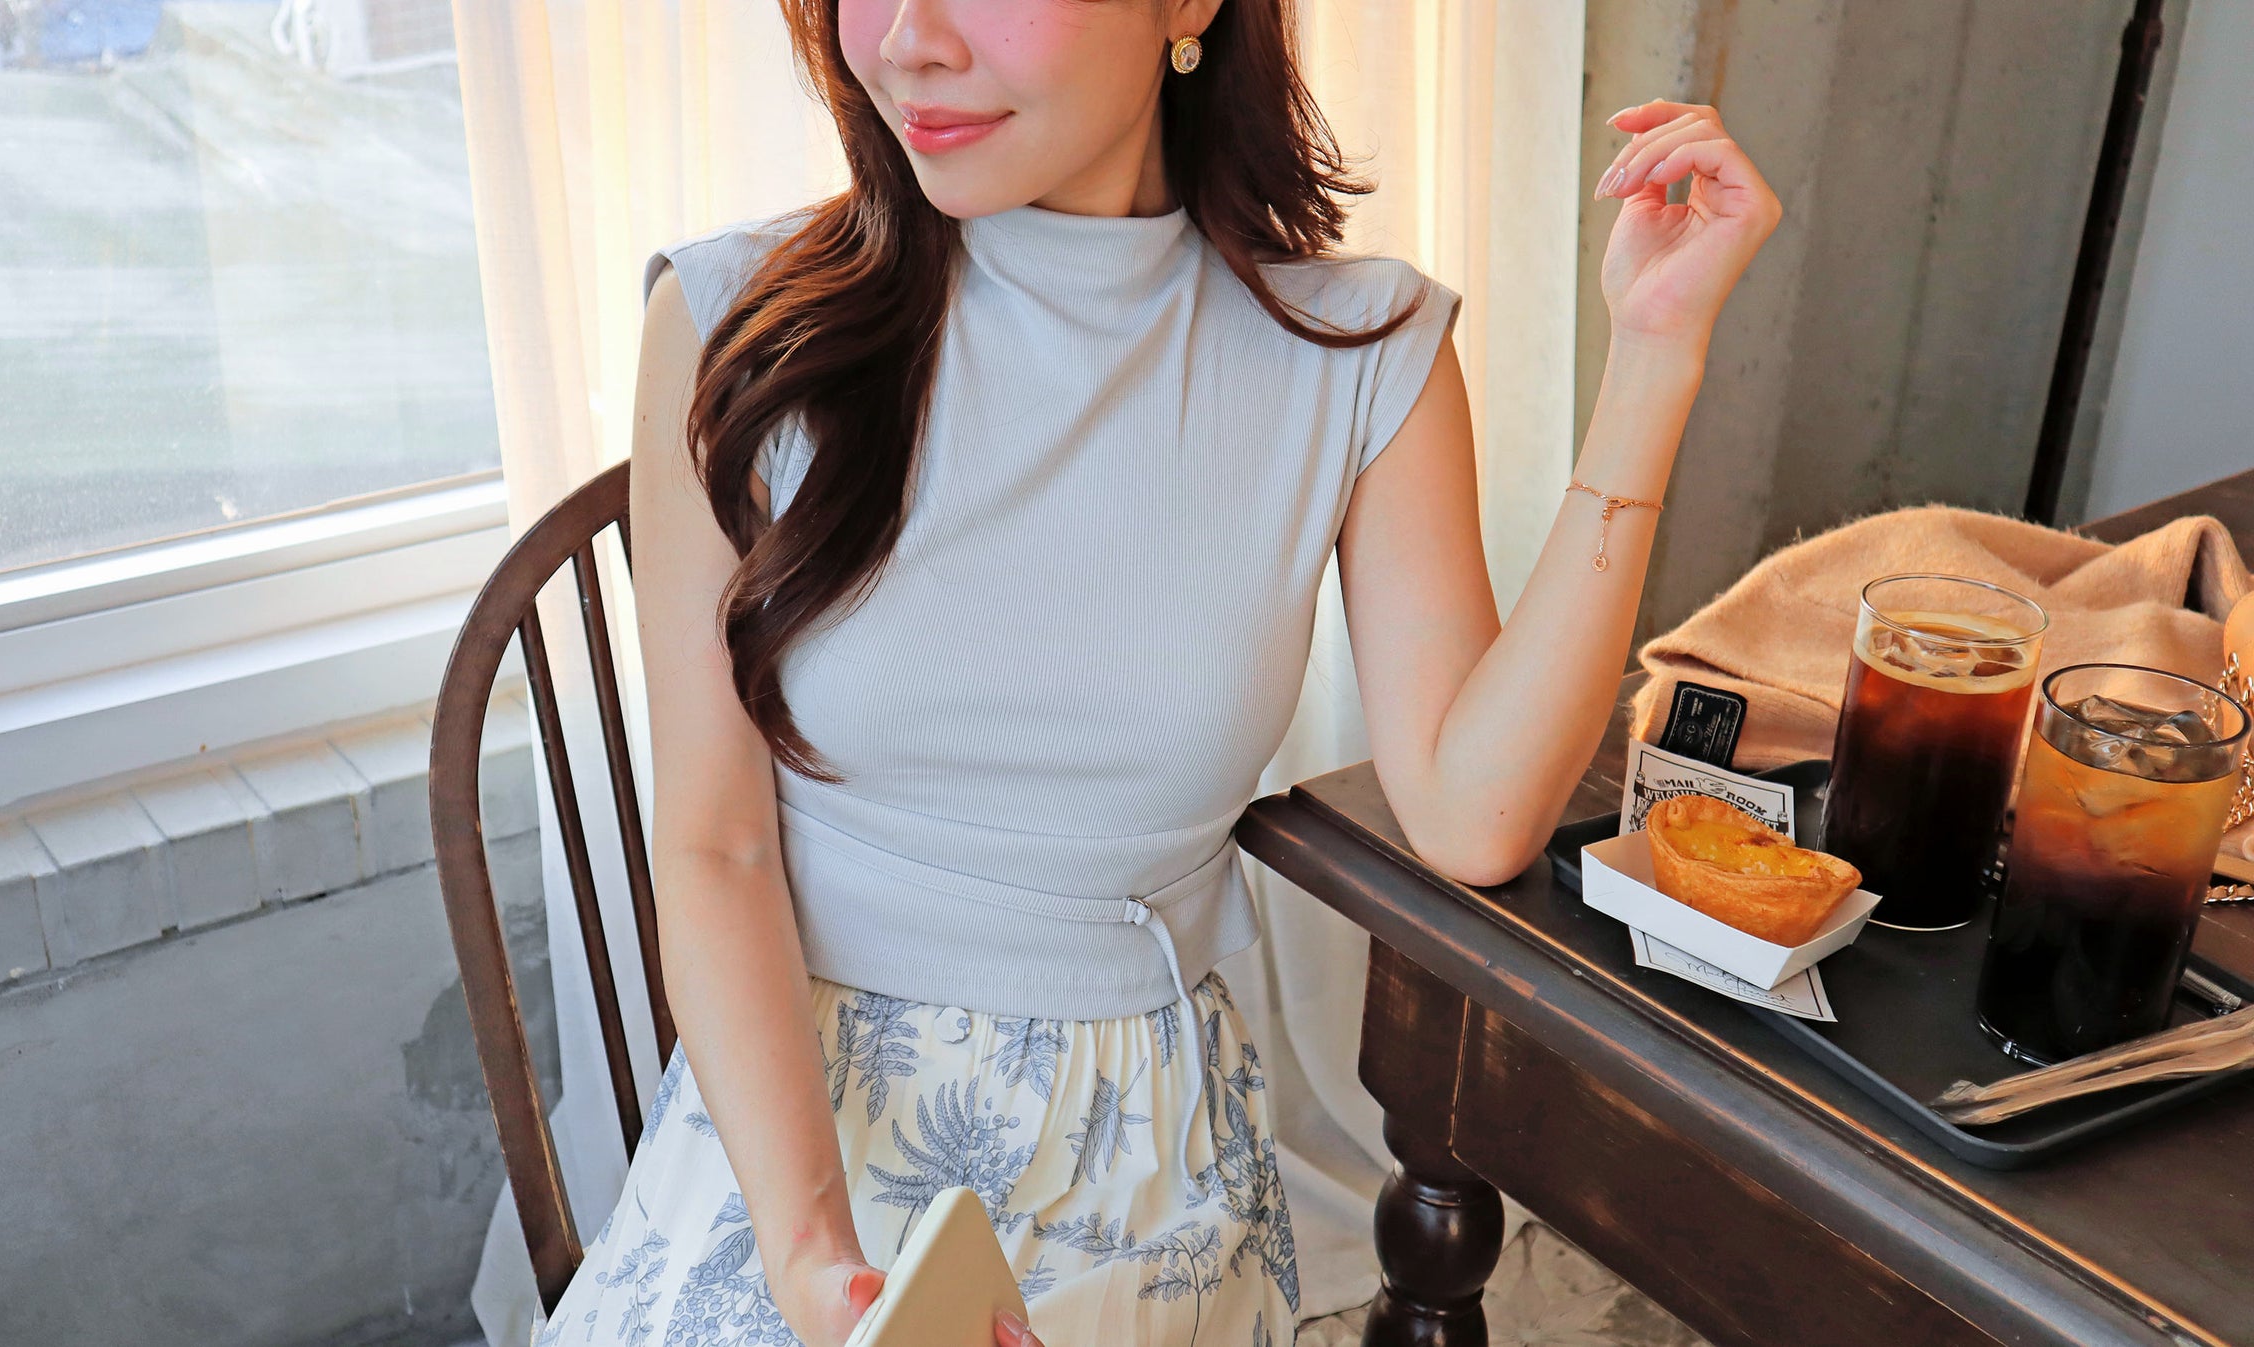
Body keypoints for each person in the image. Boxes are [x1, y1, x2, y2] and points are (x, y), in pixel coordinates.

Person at [540, 0, 1779, 1343]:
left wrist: (1654, 357)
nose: (905, 41)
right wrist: (812, 1259)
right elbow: (715, 848)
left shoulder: (1357, 352)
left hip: (1138, 1147)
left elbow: (1474, 816)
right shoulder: (732, 320)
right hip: (794, 1131)